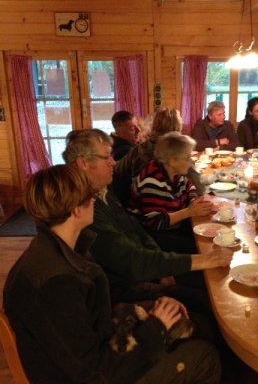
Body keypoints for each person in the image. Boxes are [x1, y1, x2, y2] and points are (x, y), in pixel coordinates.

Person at [3, 164, 221, 384]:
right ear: (76, 210)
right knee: (206, 360)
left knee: (196, 323)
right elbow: (92, 369)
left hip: (88, 364)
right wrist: (155, 327)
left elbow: (98, 310)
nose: (95, 200)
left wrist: (151, 304)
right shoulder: (56, 282)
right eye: (89, 197)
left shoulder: (60, 249)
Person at [62, 128, 233, 305]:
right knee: (213, 296)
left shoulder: (102, 191)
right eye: (106, 157)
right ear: (83, 163)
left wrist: (162, 267)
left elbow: (135, 229)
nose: (113, 163)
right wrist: (201, 260)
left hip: (144, 268)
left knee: (213, 280)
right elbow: (129, 260)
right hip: (128, 290)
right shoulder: (84, 208)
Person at [129, 132, 213, 253]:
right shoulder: (152, 181)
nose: (191, 162)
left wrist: (194, 201)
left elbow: (190, 186)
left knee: (210, 234)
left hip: (175, 226)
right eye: (187, 157)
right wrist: (189, 211)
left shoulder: (174, 172)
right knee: (204, 248)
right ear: (172, 160)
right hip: (155, 238)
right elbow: (154, 222)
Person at [114, 107, 204, 207]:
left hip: (140, 205)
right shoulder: (175, 151)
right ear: (177, 129)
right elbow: (200, 188)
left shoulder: (139, 149)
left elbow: (117, 169)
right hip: (164, 210)